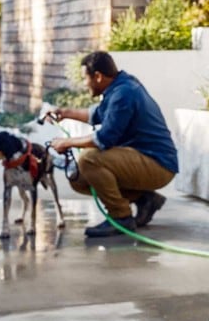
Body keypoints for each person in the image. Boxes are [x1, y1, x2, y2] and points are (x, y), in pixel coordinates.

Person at [50, 51, 179, 238]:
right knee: (79, 178)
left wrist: (67, 142)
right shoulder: (119, 87)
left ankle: (121, 218)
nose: (84, 84)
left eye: (84, 78)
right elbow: (96, 115)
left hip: (158, 164)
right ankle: (145, 199)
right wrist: (65, 112)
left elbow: (104, 139)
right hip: (143, 159)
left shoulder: (124, 93)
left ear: (98, 76)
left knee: (89, 160)